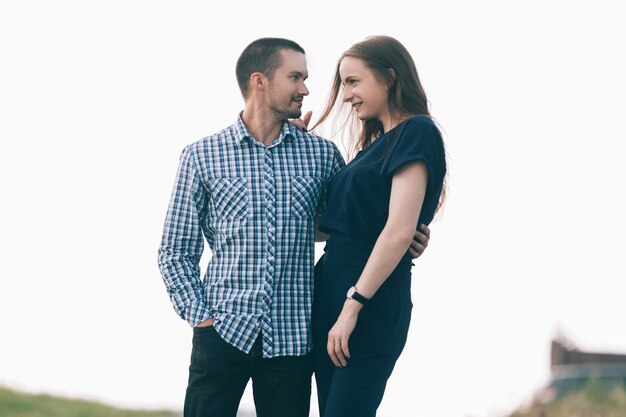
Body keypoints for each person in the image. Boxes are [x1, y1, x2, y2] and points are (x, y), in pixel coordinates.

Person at [157, 37, 431, 417]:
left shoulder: (321, 154)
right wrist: (201, 319)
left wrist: (406, 235)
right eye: (296, 77)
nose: (306, 88)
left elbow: (343, 223)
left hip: (293, 339)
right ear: (260, 81)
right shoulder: (202, 156)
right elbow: (174, 251)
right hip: (221, 331)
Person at [309, 35, 448, 417]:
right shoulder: (372, 148)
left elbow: (400, 231)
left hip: (367, 304)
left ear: (388, 77)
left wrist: (352, 307)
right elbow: (336, 226)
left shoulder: (416, 132)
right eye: (343, 85)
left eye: (353, 82)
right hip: (331, 295)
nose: (346, 95)